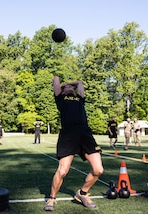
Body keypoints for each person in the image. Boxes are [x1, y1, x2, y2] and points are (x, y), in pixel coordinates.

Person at [43, 76, 103, 211]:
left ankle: (82, 194)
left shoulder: (79, 99)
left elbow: (80, 83)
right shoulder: (60, 98)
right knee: (63, 170)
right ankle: (51, 198)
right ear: (62, 91)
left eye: (72, 88)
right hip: (68, 135)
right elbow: (56, 80)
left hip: (85, 134)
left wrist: (69, 84)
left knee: (98, 169)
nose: (71, 88)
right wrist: (62, 85)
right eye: (67, 88)